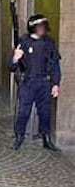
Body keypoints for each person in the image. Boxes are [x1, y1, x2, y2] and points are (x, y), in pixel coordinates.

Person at [10, 14, 61, 151]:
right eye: (39, 27)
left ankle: (46, 138)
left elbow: (55, 63)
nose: (42, 30)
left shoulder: (49, 42)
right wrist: (15, 58)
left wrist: (56, 83)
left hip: (44, 82)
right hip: (28, 82)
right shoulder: (23, 41)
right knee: (23, 111)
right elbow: (12, 66)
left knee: (45, 112)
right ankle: (19, 136)